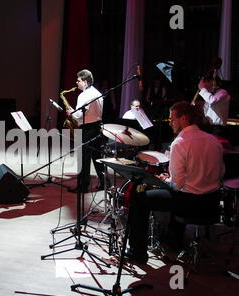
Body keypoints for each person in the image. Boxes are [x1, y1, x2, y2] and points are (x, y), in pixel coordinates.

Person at [126, 101, 224, 264]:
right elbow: (220, 173)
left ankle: (138, 252)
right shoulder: (213, 140)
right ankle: (173, 240)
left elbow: (177, 184)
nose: (170, 123)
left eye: (172, 119)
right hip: (212, 201)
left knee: (139, 197)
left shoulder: (180, 142)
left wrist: (166, 180)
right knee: (176, 192)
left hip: (189, 203)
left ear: (183, 118)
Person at [66, 69, 108, 193]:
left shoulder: (83, 95)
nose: (76, 82)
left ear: (85, 82)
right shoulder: (98, 93)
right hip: (97, 127)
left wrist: (70, 113)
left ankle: (83, 186)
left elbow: (79, 114)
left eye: (78, 80)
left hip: (86, 129)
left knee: (83, 158)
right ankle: (104, 182)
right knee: (97, 157)